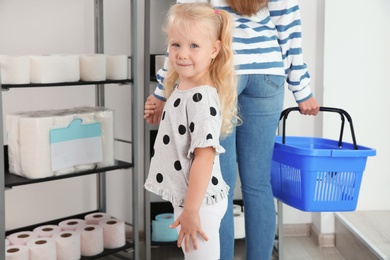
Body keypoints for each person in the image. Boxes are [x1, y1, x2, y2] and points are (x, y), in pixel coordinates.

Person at [145, 0, 320, 259]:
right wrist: (302, 90)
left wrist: (162, 91)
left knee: (216, 187)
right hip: (267, 73)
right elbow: (289, 28)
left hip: (222, 70)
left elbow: (183, 30)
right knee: (259, 183)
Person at [144, 3, 238, 259]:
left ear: (214, 50)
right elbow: (181, 133)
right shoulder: (183, 87)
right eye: (176, 45)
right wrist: (161, 115)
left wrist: (192, 211)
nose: (182, 54)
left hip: (199, 203)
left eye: (193, 46)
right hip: (191, 199)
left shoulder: (201, 98)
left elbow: (204, 157)